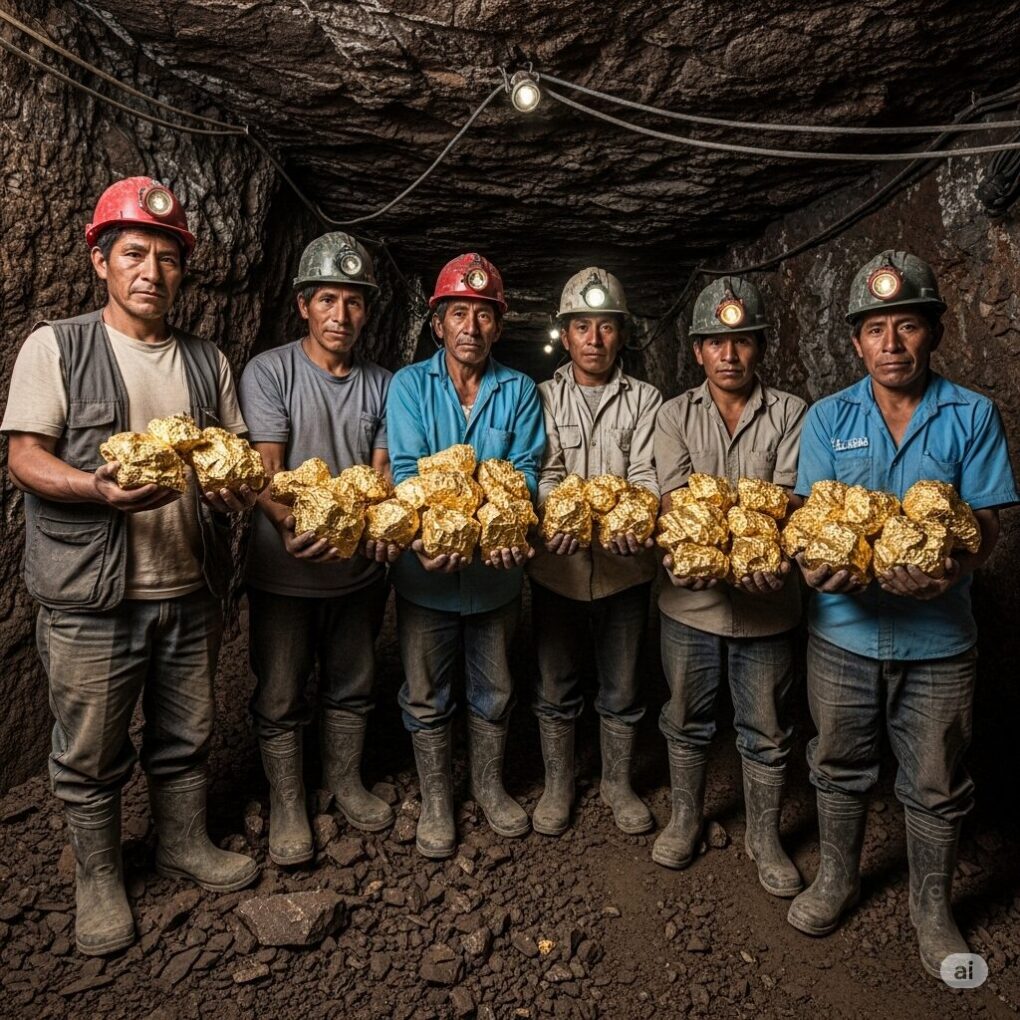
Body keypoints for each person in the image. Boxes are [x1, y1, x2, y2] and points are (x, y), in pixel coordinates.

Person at [2, 177, 259, 956]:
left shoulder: (207, 361)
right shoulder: (58, 345)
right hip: (91, 595)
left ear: (182, 272)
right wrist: (94, 488)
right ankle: (99, 876)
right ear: (101, 261)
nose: (151, 270)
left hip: (188, 585)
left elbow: (236, 463)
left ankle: (181, 841)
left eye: (167, 258)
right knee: (89, 751)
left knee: (185, 733)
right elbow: (24, 458)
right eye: (134, 253)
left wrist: (233, 489)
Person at [787, 251, 1019, 978]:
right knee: (837, 764)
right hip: (843, 634)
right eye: (876, 329)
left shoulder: (972, 415)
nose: (892, 344)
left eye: (908, 326)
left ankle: (932, 907)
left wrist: (960, 562)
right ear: (855, 342)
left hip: (940, 640)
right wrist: (809, 566)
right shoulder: (828, 418)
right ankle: (837, 877)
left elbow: (988, 521)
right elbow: (806, 520)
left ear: (934, 335)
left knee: (937, 780)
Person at [237, 232, 395, 867]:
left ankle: (347, 782)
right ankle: (287, 802)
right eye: (327, 299)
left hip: (357, 574)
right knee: (280, 691)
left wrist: (369, 536)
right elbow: (267, 471)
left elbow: (382, 476)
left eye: (354, 302)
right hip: (284, 570)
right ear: (303, 304)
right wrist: (288, 525)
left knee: (354, 683)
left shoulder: (384, 384)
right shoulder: (269, 372)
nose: (341, 315)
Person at [652, 277, 807, 899]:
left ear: (760, 348)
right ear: (697, 352)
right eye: (715, 342)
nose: (729, 354)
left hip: (768, 604)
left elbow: (796, 506)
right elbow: (671, 503)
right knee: (686, 715)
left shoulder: (793, 413)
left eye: (741, 341)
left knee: (766, 725)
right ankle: (686, 818)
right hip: (690, 602)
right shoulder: (672, 415)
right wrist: (737, 530)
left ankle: (764, 836)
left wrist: (746, 536)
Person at [386, 253, 545, 859]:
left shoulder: (520, 390)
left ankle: (489, 786)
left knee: (496, 687)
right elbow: (407, 472)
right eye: (459, 313)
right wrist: (440, 530)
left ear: (498, 327)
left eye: (483, 316)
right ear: (438, 324)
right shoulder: (409, 386)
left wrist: (503, 522)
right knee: (426, 691)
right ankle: (435, 800)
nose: (470, 328)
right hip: (424, 575)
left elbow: (526, 471)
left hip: (496, 582)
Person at [528, 267, 662, 837]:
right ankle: (559, 783)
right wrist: (564, 515)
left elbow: (648, 478)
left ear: (622, 334)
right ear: (565, 333)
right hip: (558, 568)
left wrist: (627, 521)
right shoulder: (541, 396)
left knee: (624, 684)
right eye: (581, 326)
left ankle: (617, 782)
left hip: (625, 570)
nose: (593, 339)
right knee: (555, 680)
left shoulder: (648, 400)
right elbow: (544, 472)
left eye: (605, 327)